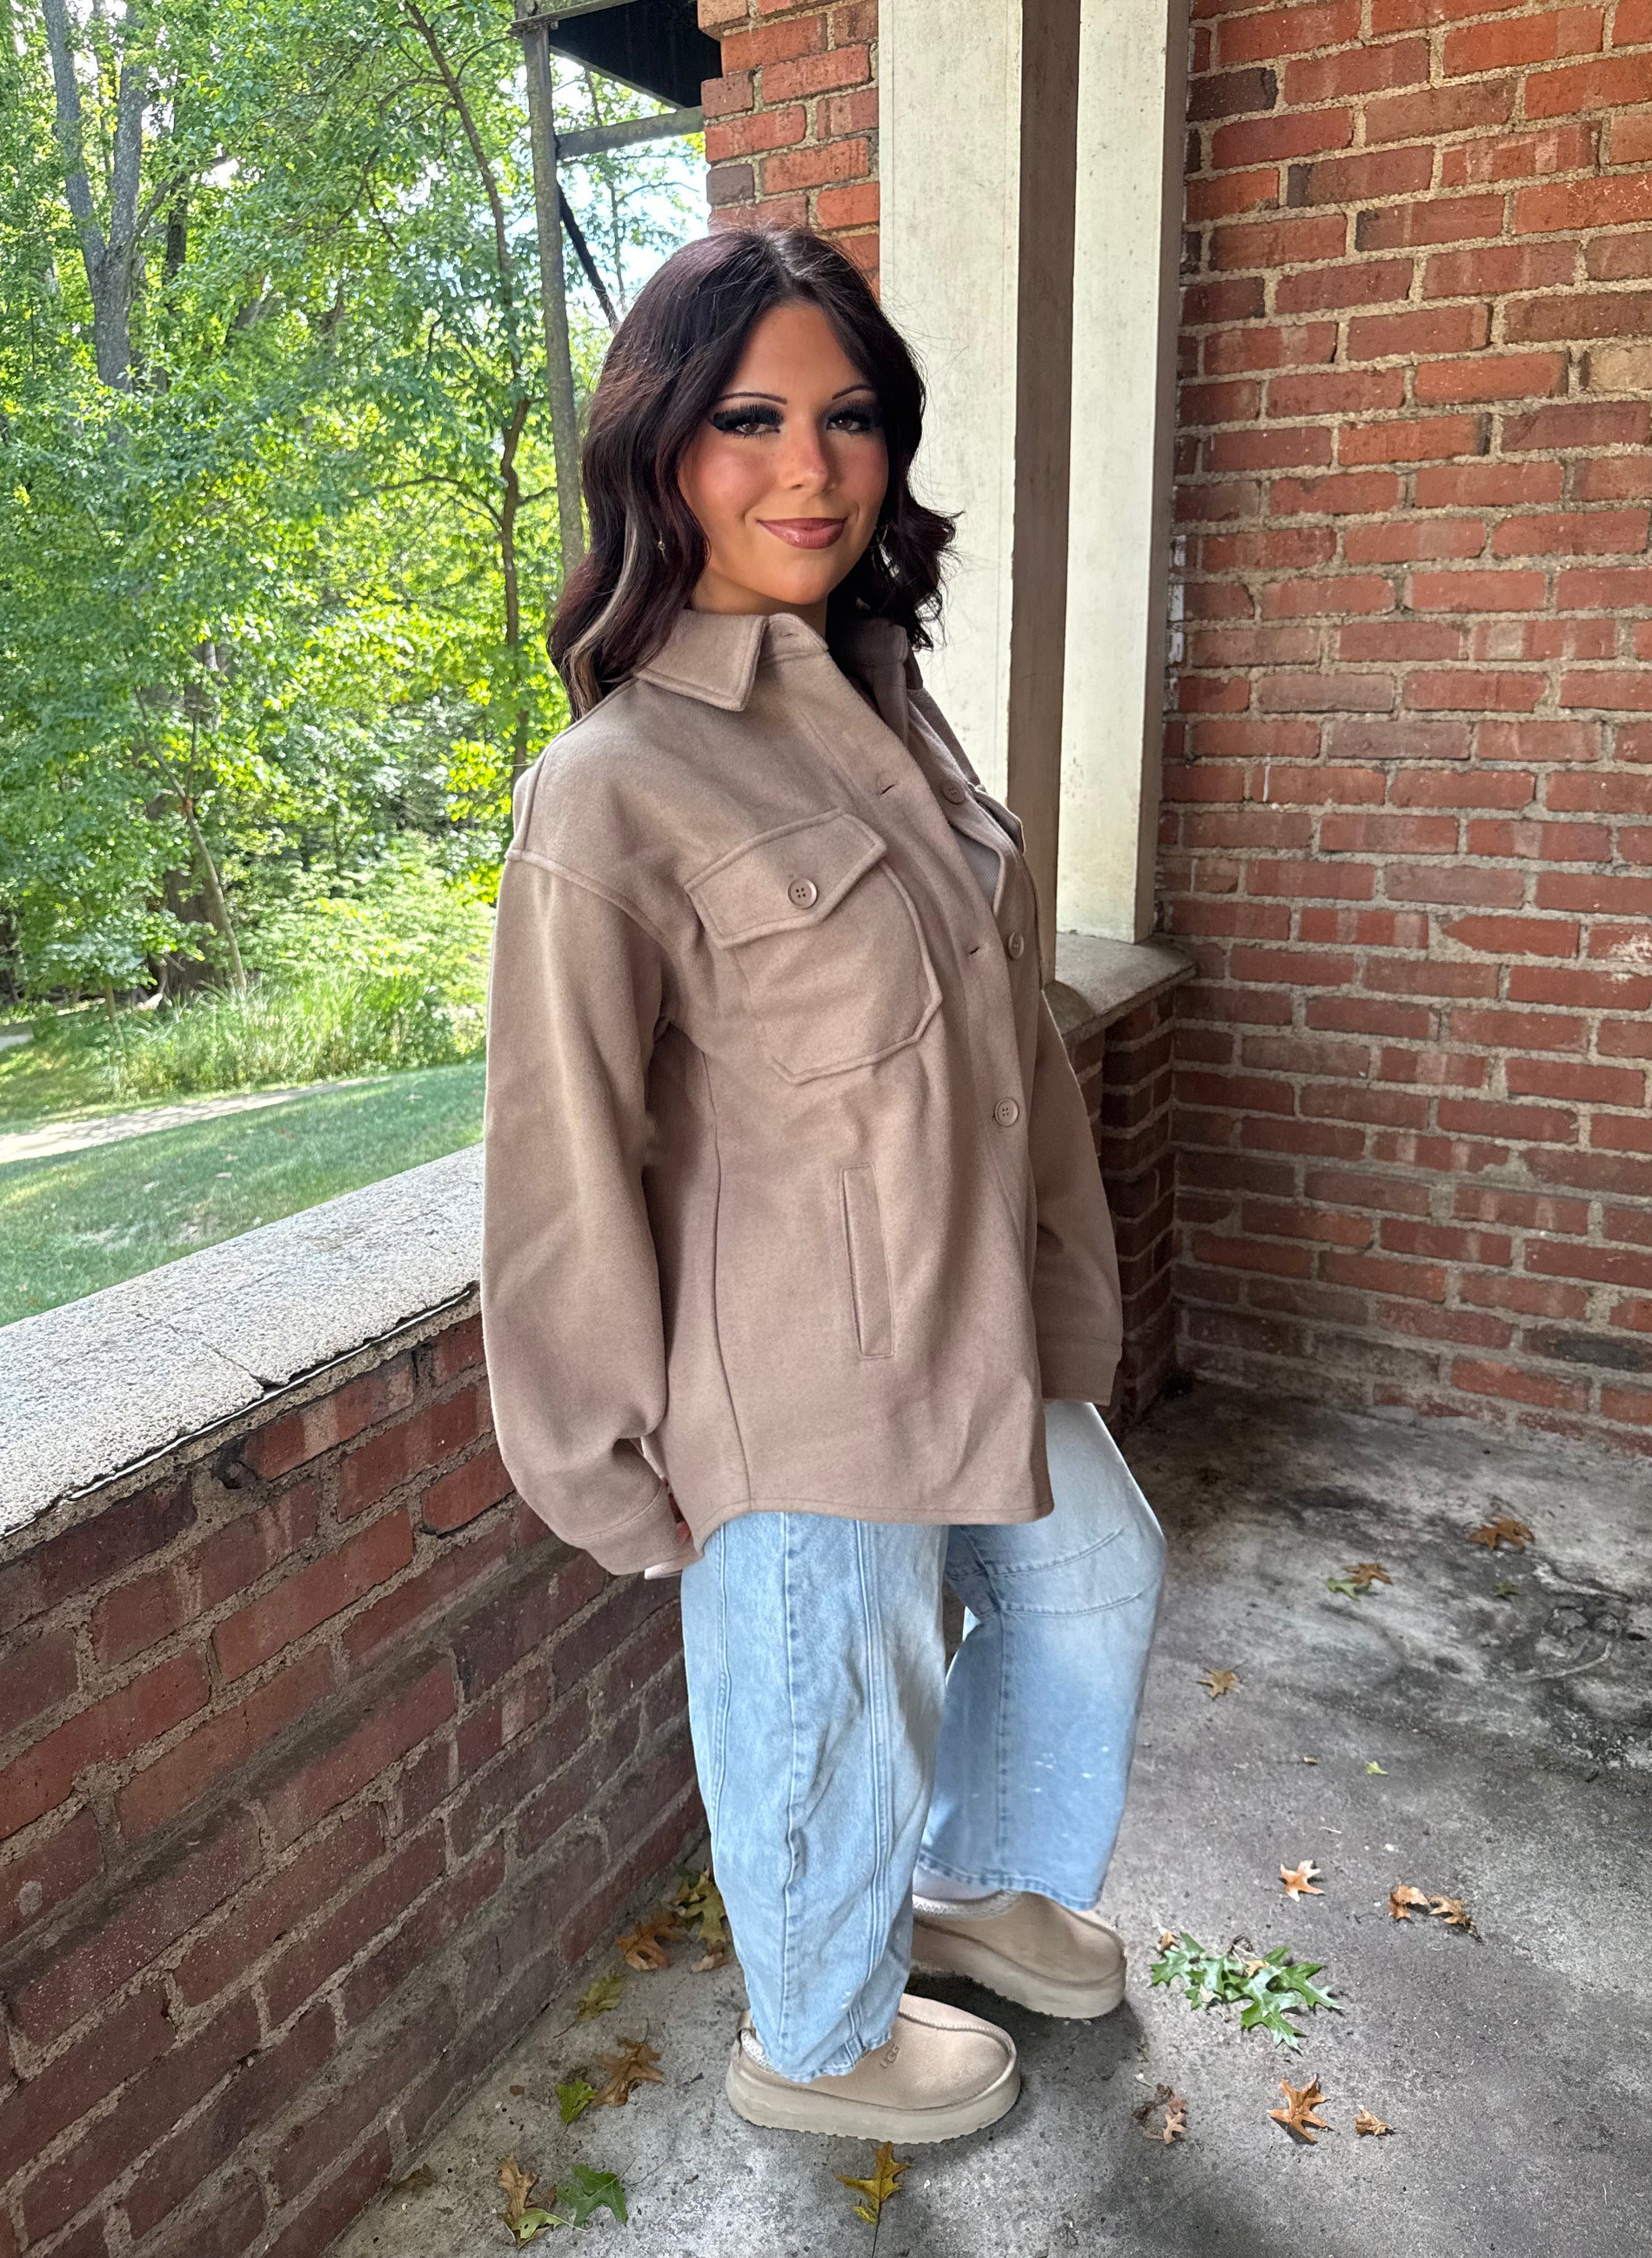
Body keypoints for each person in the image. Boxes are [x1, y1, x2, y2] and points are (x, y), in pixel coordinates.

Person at [479, 224, 1167, 2147]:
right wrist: (600, 1447)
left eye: (849, 417)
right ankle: (815, 2037)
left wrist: (1058, 1278)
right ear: (659, 448)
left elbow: (997, 1042)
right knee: (828, 1705)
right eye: (749, 419)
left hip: (974, 1315)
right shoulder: (614, 781)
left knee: (1093, 1580)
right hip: (794, 1375)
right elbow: (557, 1145)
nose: (810, 467)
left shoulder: (883, 702)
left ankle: (973, 1879)